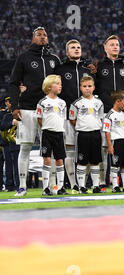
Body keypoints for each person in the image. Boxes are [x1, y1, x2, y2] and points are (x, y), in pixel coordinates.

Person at [8, 27, 61, 196]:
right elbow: (14, 83)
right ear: (33, 38)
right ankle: (22, 186)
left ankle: (51, 186)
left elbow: (62, 84)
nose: (43, 37)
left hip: (50, 111)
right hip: (28, 108)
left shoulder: (54, 59)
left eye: (45, 35)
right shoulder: (24, 58)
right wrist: (15, 106)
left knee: (50, 149)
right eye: (39, 35)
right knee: (25, 147)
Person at [95, 35, 124, 191]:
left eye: (117, 44)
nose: (115, 47)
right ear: (105, 48)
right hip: (106, 112)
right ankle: (103, 181)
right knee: (105, 147)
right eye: (111, 44)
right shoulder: (99, 67)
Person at [55, 39, 95, 193]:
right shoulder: (60, 69)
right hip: (67, 117)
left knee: (88, 152)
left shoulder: (88, 69)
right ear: (67, 52)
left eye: (78, 47)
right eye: (72, 48)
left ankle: (83, 184)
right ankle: (73, 184)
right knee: (70, 151)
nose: (76, 49)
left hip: (88, 117)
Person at [69, 76, 104, 194]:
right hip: (82, 135)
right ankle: (82, 187)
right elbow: (72, 119)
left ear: (94, 87)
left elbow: (100, 118)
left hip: (96, 134)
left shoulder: (99, 103)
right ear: (80, 88)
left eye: (89, 86)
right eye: (84, 86)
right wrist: (82, 127)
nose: (87, 89)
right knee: (82, 161)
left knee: (95, 161)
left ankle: (96, 186)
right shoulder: (76, 103)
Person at [36, 75, 67, 196]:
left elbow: (63, 118)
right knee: (47, 159)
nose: (60, 86)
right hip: (47, 133)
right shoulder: (42, 102)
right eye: (57, 83)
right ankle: (45, 188)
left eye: (61, 84)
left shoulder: (62, 103)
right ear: (49, 86)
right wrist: (47, 127)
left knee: (60, 160)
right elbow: (39, 119)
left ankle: (60, 187)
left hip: (59, 133)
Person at [103, 90, 124, 193]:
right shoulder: (109, 115)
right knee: (115, 165)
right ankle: (115, 186)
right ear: (117, 101)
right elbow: (107, 132)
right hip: (116, 141)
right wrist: (110, 145)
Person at [0, 96, 20, 191]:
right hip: (7, 142)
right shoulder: (5, 114)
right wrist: (12, 122)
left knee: (17, 164)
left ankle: (18, 184)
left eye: (10, 101)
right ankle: (9, 185)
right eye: (8, 102)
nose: (9, 103)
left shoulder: (20, 112)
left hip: (18, 141)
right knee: (9, 165)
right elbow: (2, 126)